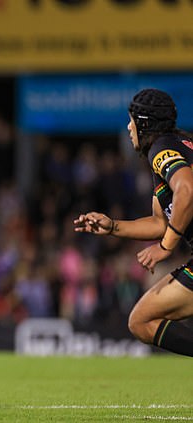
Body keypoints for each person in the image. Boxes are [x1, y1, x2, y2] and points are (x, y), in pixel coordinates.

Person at [74, 88, 193, 358]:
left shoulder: (162, 150)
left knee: (141, 321)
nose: (128, 128)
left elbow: (188, 190)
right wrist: (113, 226)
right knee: (140, 320)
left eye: (131, 121)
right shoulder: (177, 147)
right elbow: (160, 222)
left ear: (144, 123)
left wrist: (166, 247)